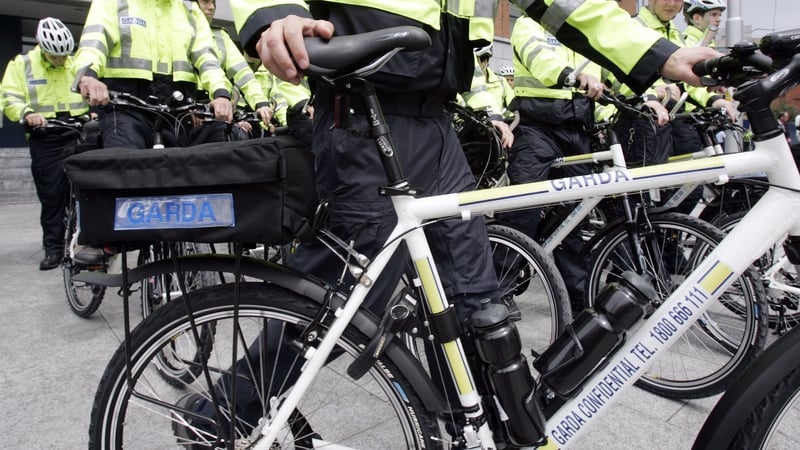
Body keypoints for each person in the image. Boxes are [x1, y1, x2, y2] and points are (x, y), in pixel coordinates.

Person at [176, 0, 724, 436]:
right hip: (364, 109)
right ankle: (222, 412)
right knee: (344, 295)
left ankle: (479, 421)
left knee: (475, 293)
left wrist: (656, 53)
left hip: (438, 123)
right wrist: (274, 17)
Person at [498, 16, 605, 308]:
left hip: (577, 128)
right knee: (522, 207)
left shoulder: (583, 29)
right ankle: (499, 288)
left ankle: (579, 294)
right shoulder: (530, 24)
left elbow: (611, 70)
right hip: (537, 127)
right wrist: (572, 73)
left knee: (574, 214)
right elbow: (540, 59)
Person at [73, 0, 233, 150]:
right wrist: (88, 75)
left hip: (175, 110)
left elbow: (207, 59)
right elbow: (93, 43)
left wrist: (220, 93)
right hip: (124, 107)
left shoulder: (190, 9)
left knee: (177, 173)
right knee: (128, 169)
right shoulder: (114, 2)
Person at [1, 17, 91, 270]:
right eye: (55, 57)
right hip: (46, 136)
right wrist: (27, 113)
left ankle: (87, 242)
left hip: (77, 131)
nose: (61, 61)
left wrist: (94, 109)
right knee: (52, 196)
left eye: (64, 56)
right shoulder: (23, 65)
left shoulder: (76, 65)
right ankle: (53, 248)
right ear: (42, 47)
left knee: (89, 191)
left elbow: (90, 92)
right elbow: (9, 97)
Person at [636, 0, 736, 156]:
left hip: (673, 115)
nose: (672, 4)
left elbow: (687, 79)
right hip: (642, 117)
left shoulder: (676, 35)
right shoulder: (635, 28)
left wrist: (713, 99)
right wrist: (651, 93)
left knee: (697, 172)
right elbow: (622, 73)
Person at [195, 0, 273, 140]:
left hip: (217, 111)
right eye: (205, 2)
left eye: (214, 2)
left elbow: (242, 73)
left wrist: (261, 103)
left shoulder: (221, 36)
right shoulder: (178, 30)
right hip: (182, 108)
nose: (211, 7)